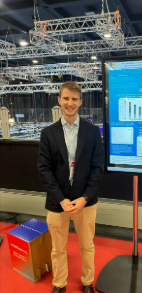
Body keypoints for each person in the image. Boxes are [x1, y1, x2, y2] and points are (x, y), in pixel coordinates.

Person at [38, 81, 104, 293]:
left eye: (74, 99)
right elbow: (44, 170)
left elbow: (97, 168)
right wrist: (61, 199)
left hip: (86, 201)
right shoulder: (48, 133)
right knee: (58, 249)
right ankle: (59, 283)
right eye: (66, 98)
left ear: (80, 102)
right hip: (58, 202)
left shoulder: (93, 132)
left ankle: (87, 282)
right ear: (59, 100)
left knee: (87, 246)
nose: (70, 103)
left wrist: (85, 197)